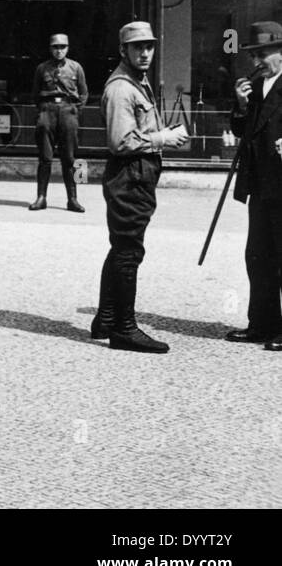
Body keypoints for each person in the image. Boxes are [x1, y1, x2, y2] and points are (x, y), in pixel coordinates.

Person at [93, 21, 188, 353]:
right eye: (137, 47)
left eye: (149, 46)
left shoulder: (137, 82)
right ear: (123, 50)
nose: (145, 52)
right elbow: (121, 142)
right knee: (129, 250)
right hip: (129, 174)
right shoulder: (122, 88)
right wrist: (164, 138)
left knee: (121, 246)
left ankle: (106, 319)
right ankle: (124, 329)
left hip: (136, 174)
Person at [226, 20, 282, 350]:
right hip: (261, 183)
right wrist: (241, 105)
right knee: (258, 256)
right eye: (254, 54)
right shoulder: (255, 84)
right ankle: (261, 324)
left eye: (262, 53)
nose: (257, 60)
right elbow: (240, 129)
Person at [29, 33, 89, 213]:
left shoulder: (76, 68)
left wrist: (74, 111)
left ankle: (73, 199)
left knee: (69, 158)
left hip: (68, 111)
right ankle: (41, 198)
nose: (59, 50)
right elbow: (35, 93)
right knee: (45, 158)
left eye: (62, 47)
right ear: (50, 48)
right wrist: (42, 111)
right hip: (47, 111)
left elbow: (84, 93)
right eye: (55, 47)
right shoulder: (42, 68)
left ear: (68, 48)